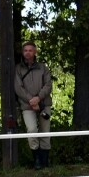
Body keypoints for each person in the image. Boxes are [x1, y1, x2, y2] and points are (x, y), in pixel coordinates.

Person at [15, 41, 54, 169]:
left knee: (45, 132)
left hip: (43, 104)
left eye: (30, 50)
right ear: (22, 52)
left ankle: (45, 161)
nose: (27, 53)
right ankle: (36, 159)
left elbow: (48, 85)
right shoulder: (18, 69)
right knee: (31, 130)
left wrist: (38, 98)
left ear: (35, 52)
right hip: (27, 106)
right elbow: (18, 87)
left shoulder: (43, 67)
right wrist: (31, 100)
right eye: (25, 50)